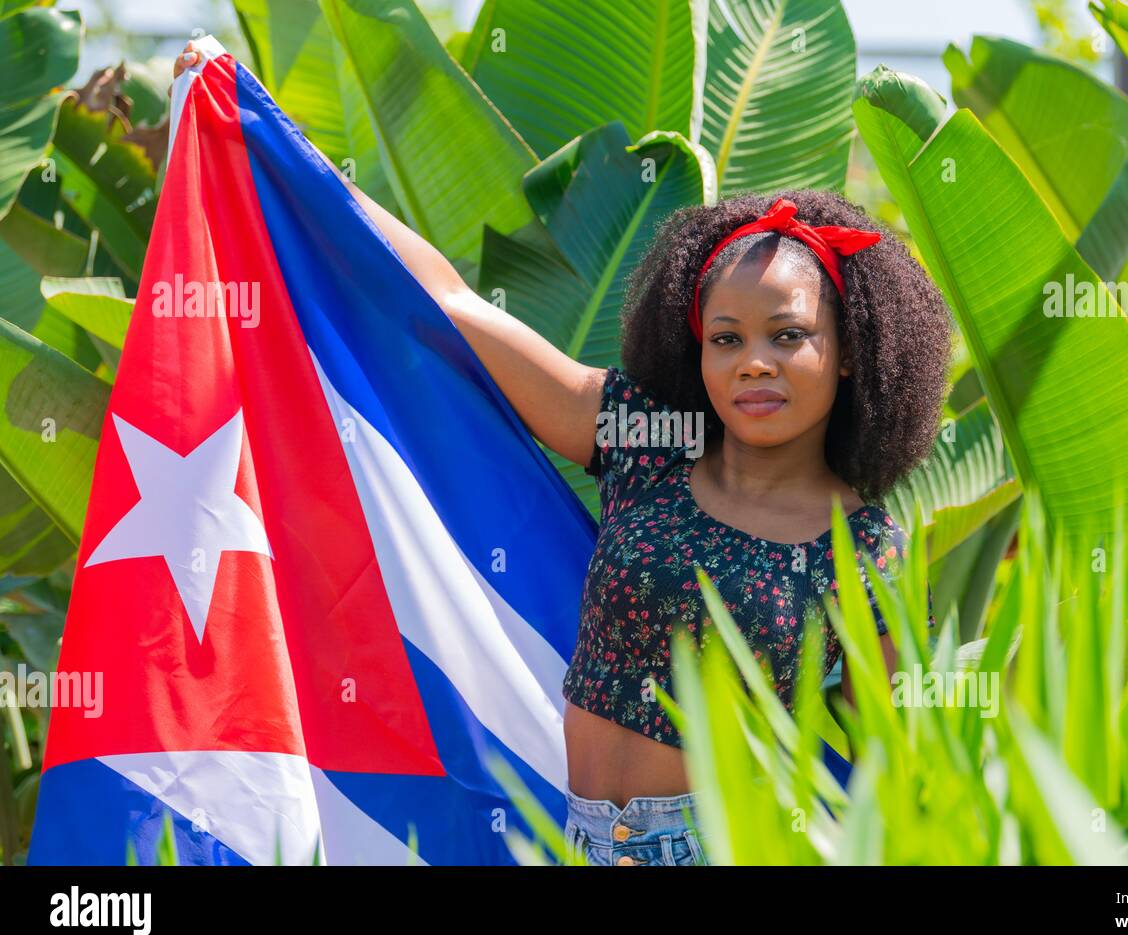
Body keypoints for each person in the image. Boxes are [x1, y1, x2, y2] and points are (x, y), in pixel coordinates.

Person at [172, 42, 952, 867]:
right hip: (572, 838)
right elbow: (449, 303)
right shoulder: (651, 441)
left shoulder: (866, 551)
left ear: (853, 352)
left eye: (788, 336)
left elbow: (896, 775)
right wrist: (273, 143)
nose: (753, 362)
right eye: (726, 339)